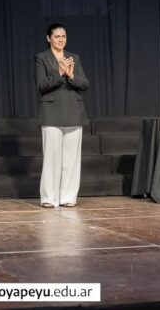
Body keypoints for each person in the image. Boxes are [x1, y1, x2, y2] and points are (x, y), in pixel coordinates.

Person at [34, 23, 89, 208]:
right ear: (49, 38)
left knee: (71, 159)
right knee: (52, 158)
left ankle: (68, 197)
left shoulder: (74, 58)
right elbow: (41, 85)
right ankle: (49, 197)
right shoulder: (41, 58)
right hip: (51, 112)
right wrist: (59, 73)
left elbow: (84, 84)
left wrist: (71, 76)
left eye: (63, 36)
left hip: (74, 111)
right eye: (57, 36)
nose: (61, 39)